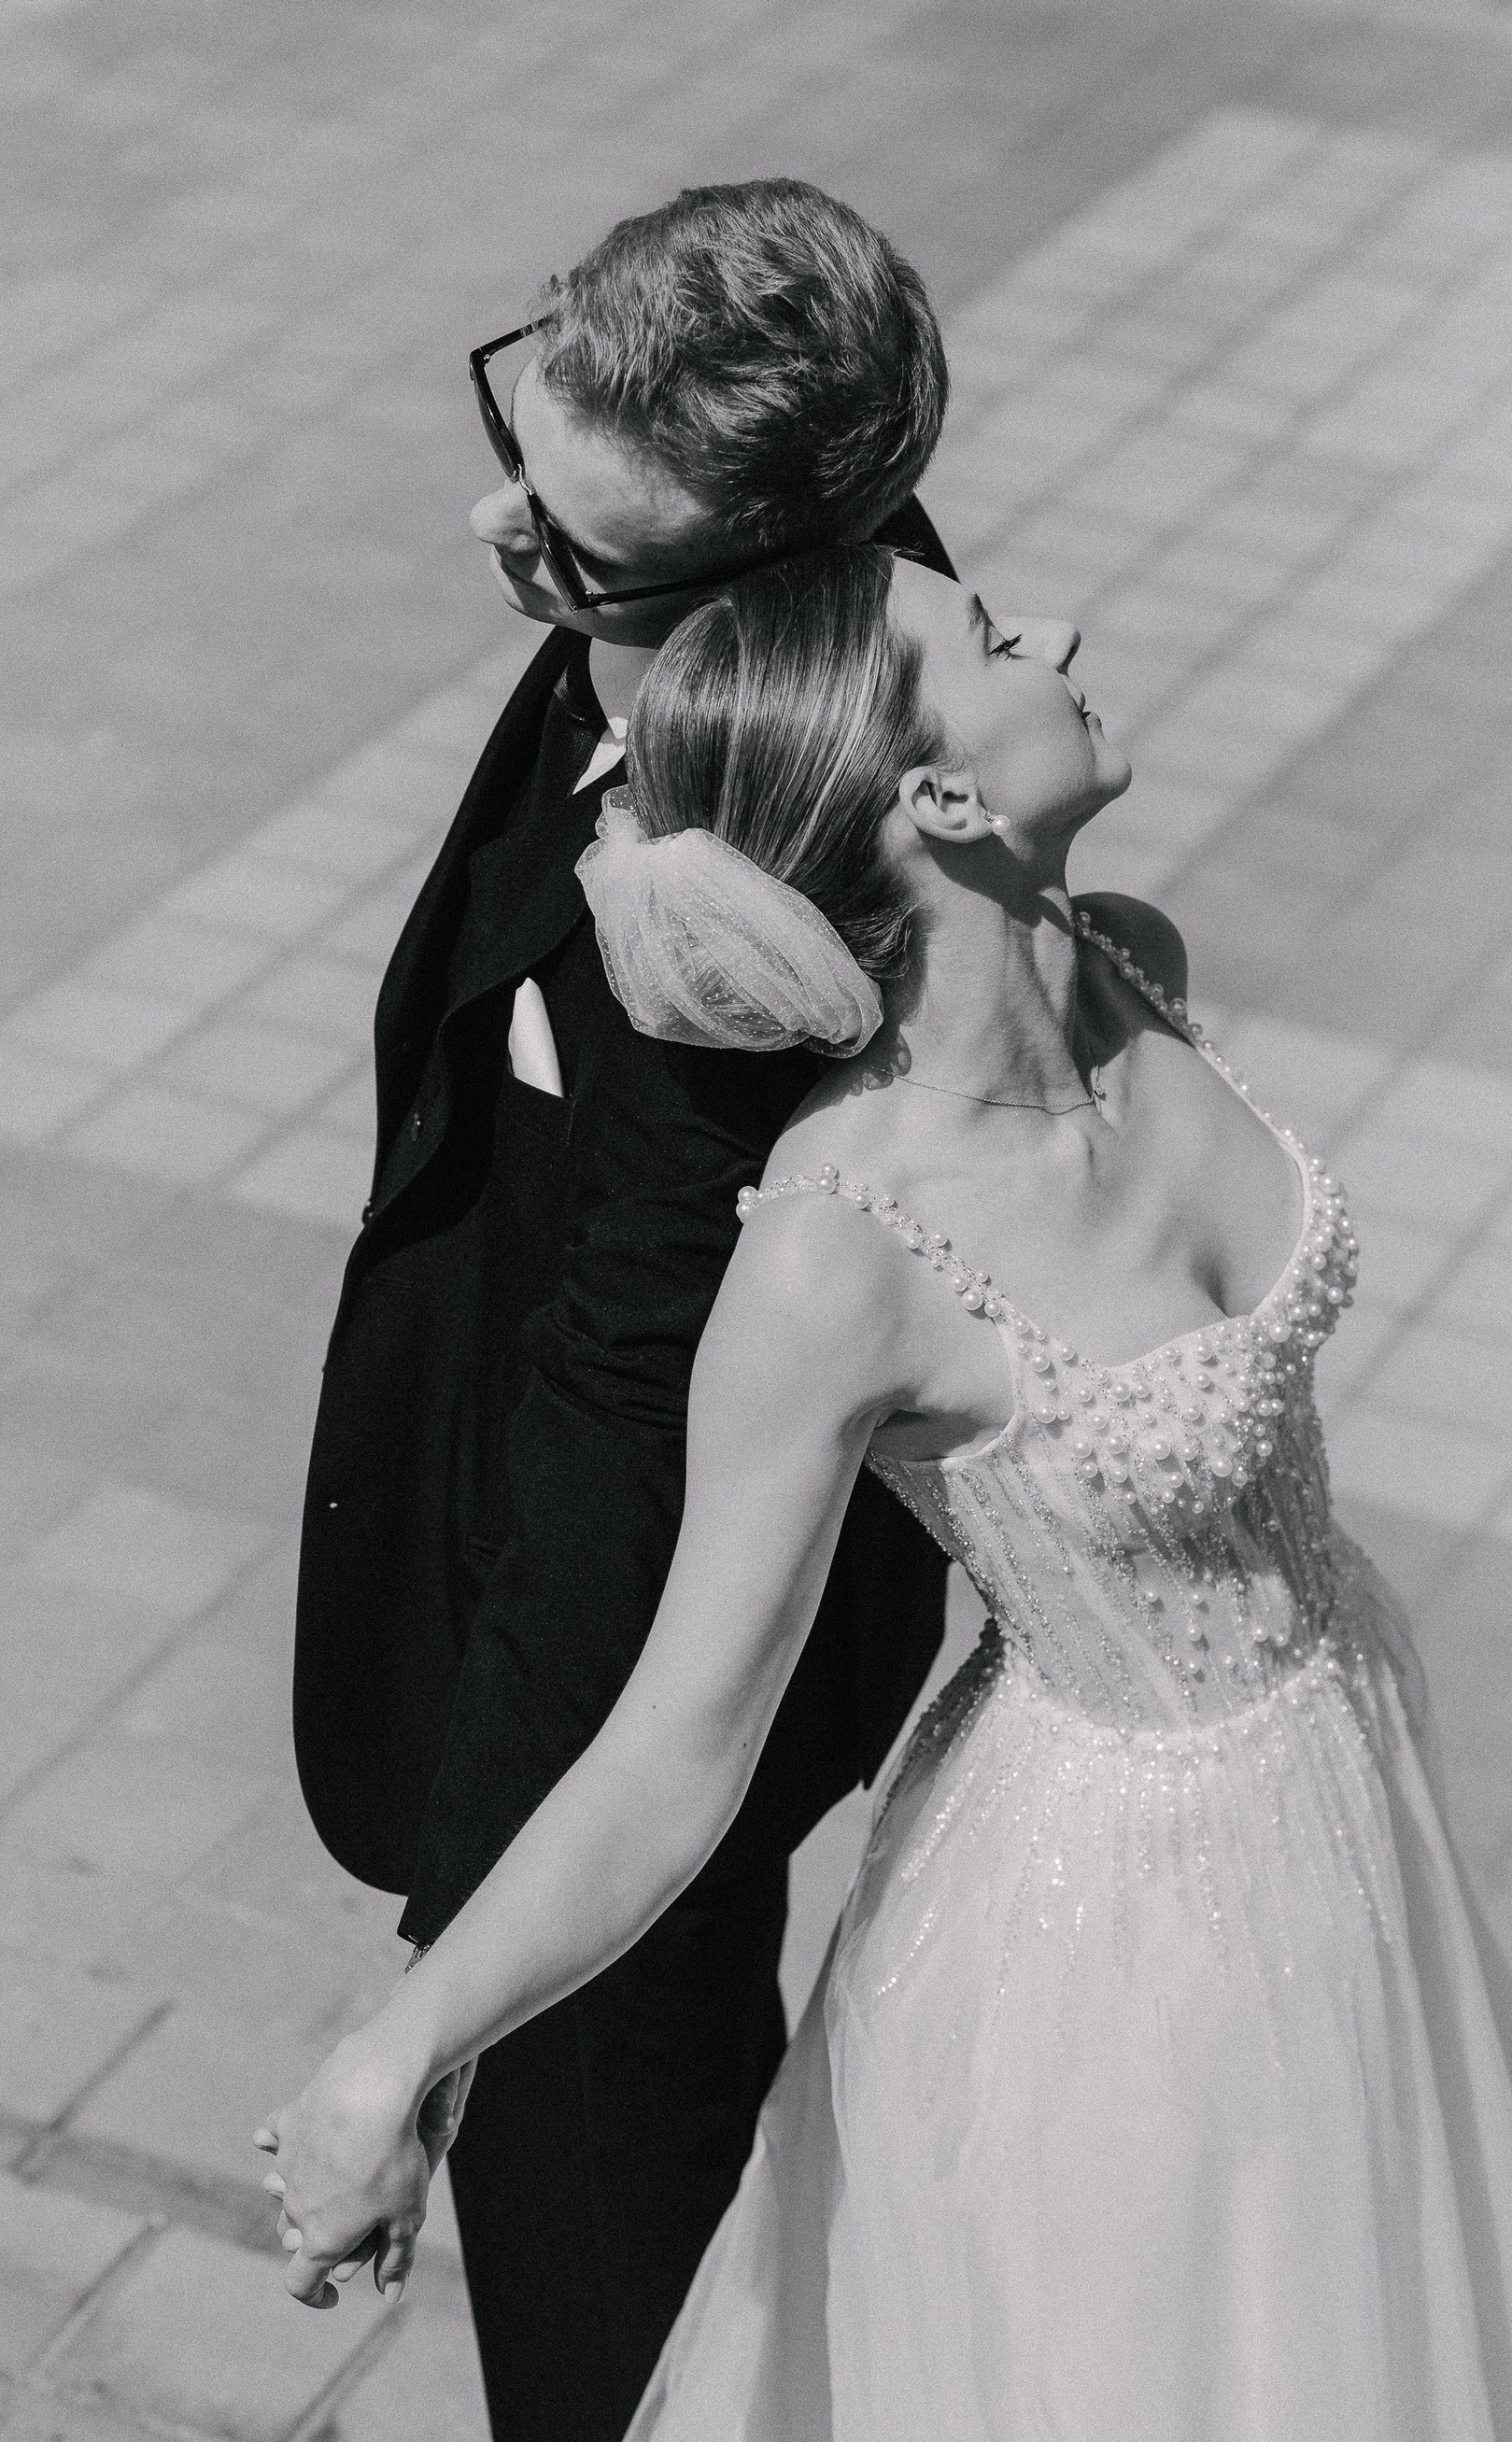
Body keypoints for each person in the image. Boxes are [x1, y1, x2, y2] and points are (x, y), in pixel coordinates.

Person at [265, 543, 1512, 2438]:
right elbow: (676, 1746)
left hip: (1346, 1798)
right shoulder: (836, 1258)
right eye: (1001, 640)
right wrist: (398, 2055)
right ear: (938, 798)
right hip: (1110, 1947)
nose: (1061, 633)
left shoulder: (1133, 966)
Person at [289, 183, 957, 2438]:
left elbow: (633, 1400)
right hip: (537, 1500)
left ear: (762, 582)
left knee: (611, 2311)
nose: (502, 532)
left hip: (625, 1664)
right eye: (518, 443)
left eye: (573, 560)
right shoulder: (698, 588)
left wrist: (462, 1969)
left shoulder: (766, 840)